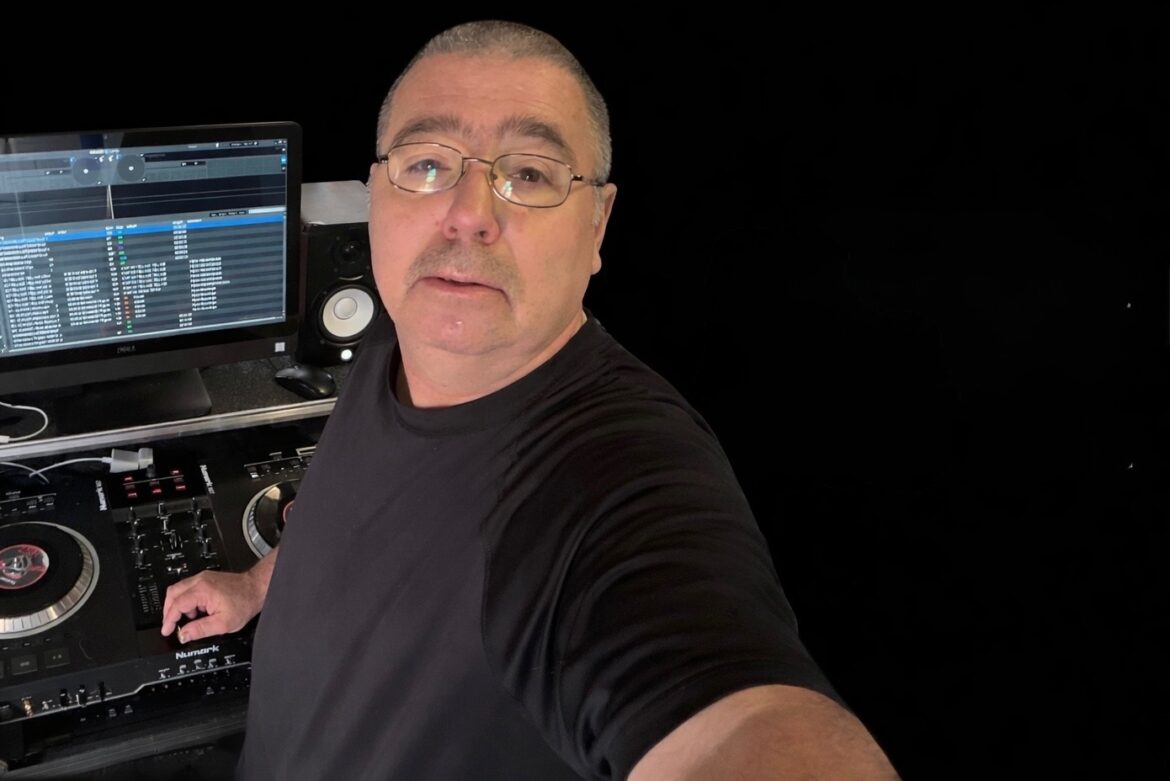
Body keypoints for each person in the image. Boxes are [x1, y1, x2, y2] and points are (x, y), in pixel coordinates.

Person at [162, 20, 899, 780]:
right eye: (426, 164)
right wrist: (256, 584)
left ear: (598, 223)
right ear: (376, 192)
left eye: (531, 174)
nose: (469, 213)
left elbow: (739, 717)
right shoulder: (400, 331)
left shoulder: (614, 474)